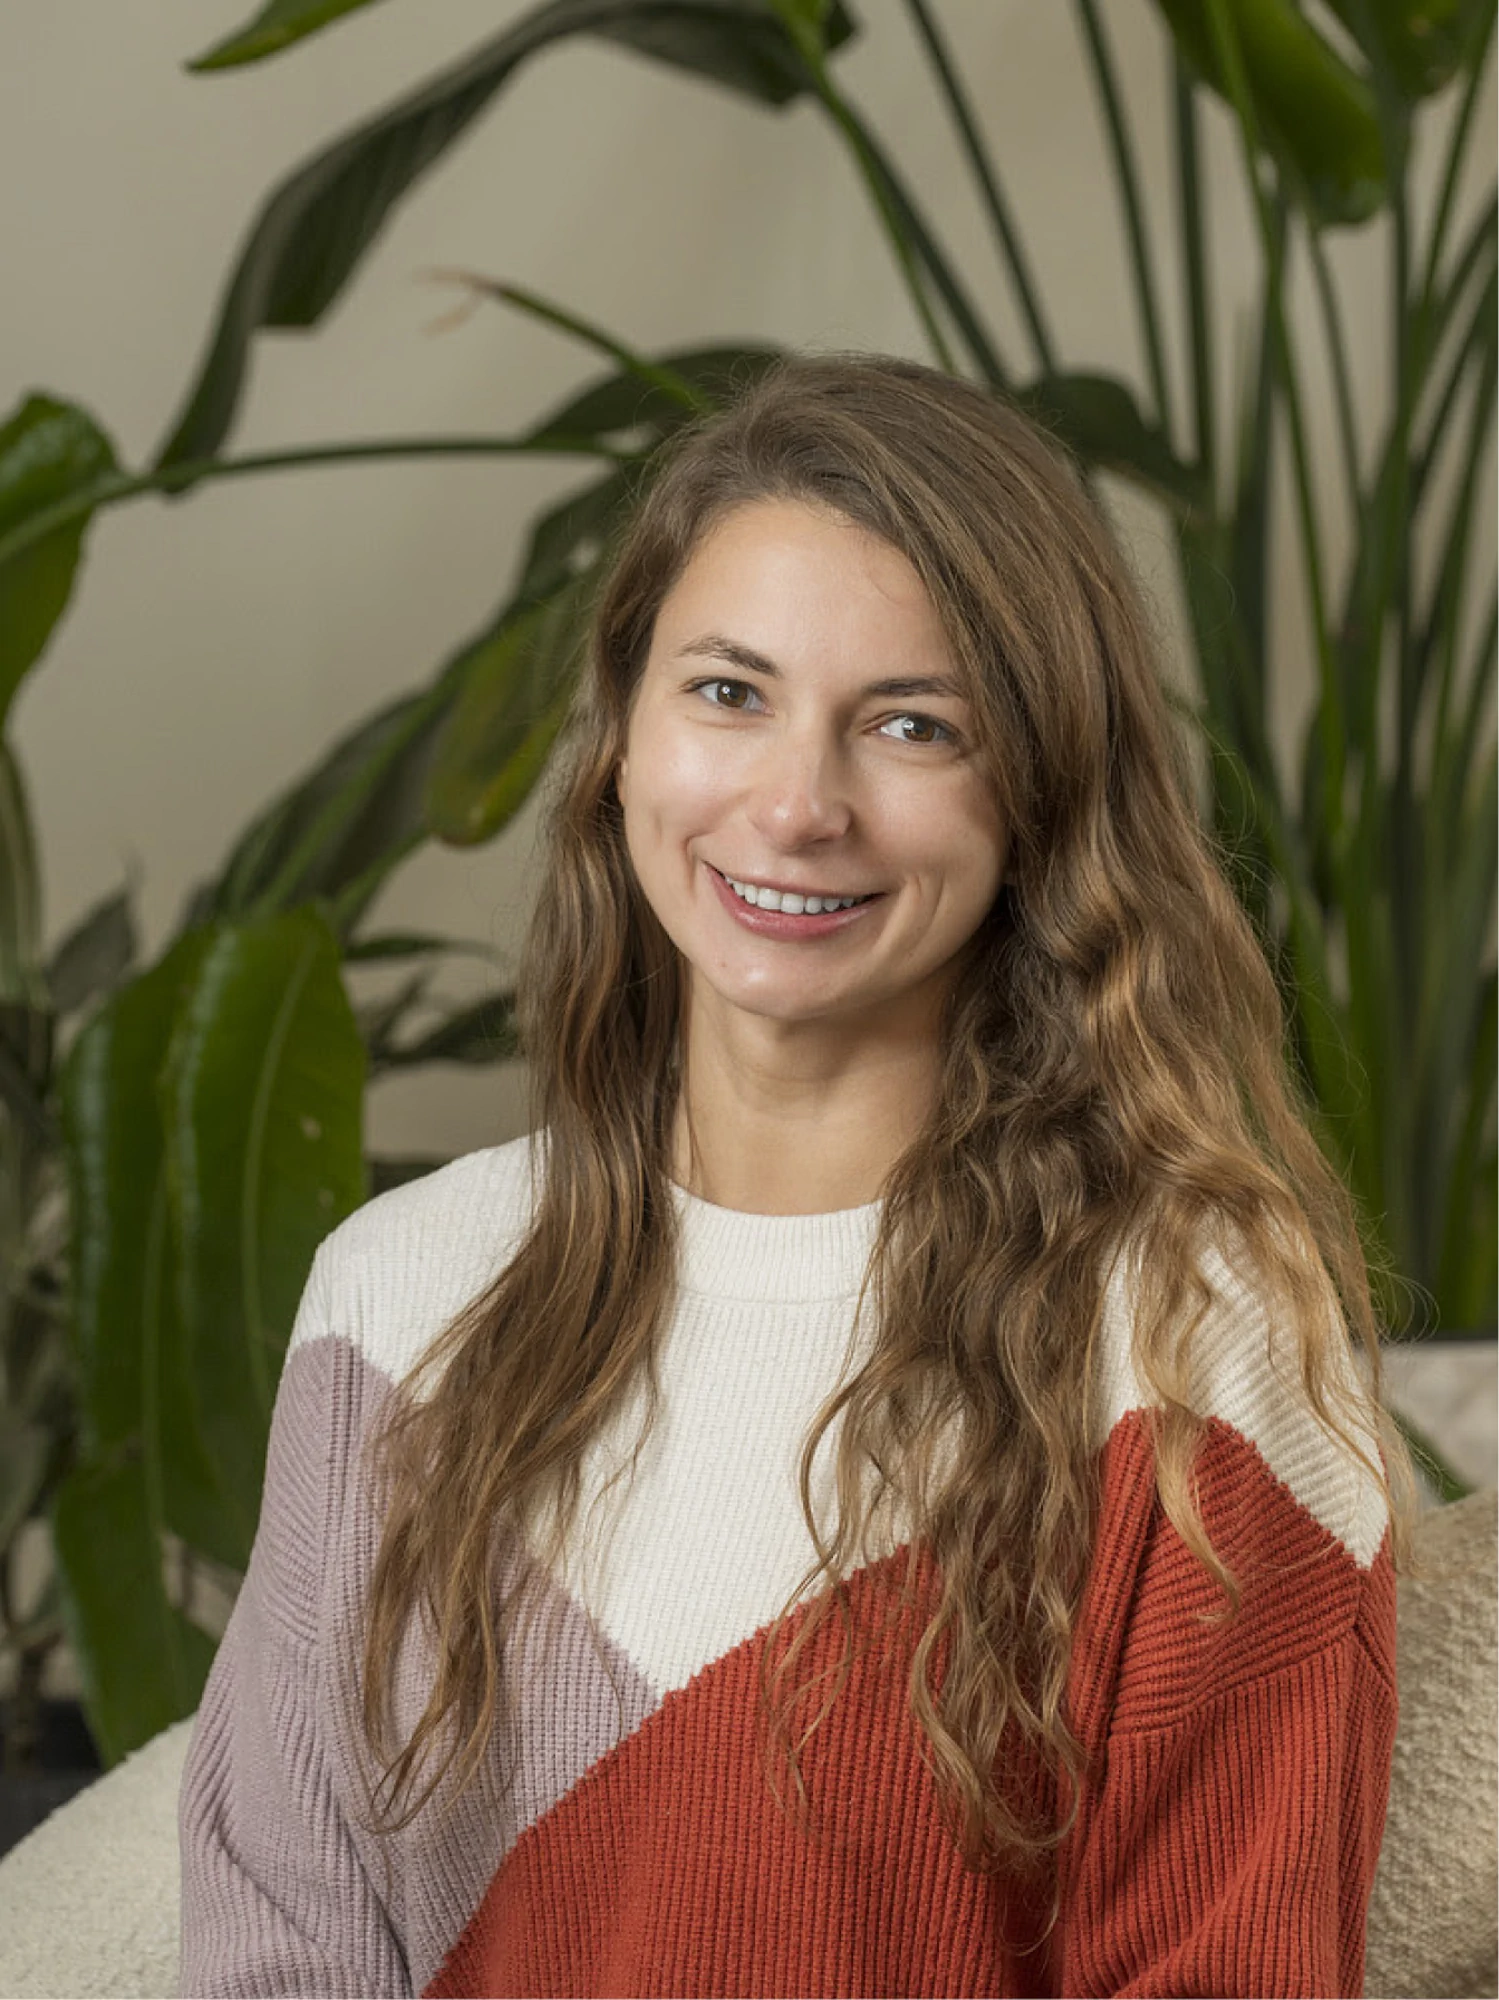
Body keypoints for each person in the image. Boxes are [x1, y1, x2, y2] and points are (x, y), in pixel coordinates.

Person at [178, 353, 1414, 1998]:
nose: (796, 804)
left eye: (912, 724)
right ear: (619, 736)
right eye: (728, 693)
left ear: (1038, 792)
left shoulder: (1198, 1337)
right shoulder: (398, 1293)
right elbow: (280, 1937)